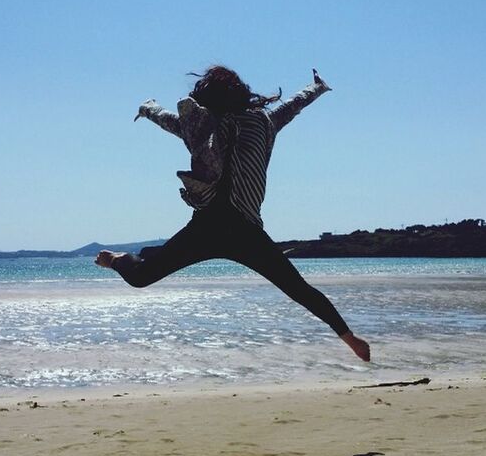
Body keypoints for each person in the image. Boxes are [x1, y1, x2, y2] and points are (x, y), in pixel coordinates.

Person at [95, 66, 370, 363]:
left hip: (245, 230)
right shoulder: (205, 126)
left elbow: (293, 105)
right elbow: (292, 105)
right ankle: (121, 259)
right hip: (209, 225)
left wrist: (315, 89)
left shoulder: (261, 122)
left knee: (297, 288)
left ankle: (349, 338)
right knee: (141, 277)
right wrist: (148, 109)